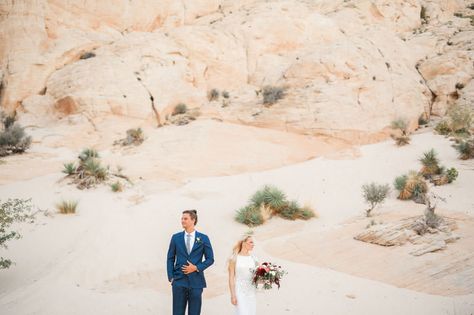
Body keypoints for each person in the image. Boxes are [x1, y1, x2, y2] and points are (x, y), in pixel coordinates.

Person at [167, 210, 214, 315]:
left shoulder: (203, 238)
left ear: (193, 220)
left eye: (185, 218)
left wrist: (196, 267)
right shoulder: (175, 237)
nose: (182, 221)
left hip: (196, 282)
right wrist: (171, 277)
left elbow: (210, 259)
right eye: (182, 218)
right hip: (179, 282)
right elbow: (170, 258)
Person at [228, 234, 258, 315]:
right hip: (239, 291)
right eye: (251, 242)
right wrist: (233, 295)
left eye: (253, 243)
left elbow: (258, 277)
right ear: (243, 243)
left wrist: (267, 278)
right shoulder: (234, 258)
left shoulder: (254, 259)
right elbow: (231, 278)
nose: (253, 244)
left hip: (251, 291)